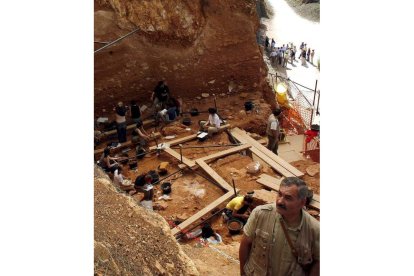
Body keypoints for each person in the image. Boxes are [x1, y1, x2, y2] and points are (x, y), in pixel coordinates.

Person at [239, 177, 320, 276]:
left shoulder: (315, 230)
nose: (280, 201)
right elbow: (245, 244)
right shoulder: (260, 214)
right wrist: (243, 273)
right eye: (279, 194)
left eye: (288, 198)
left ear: (302, 202)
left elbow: (318, 262)